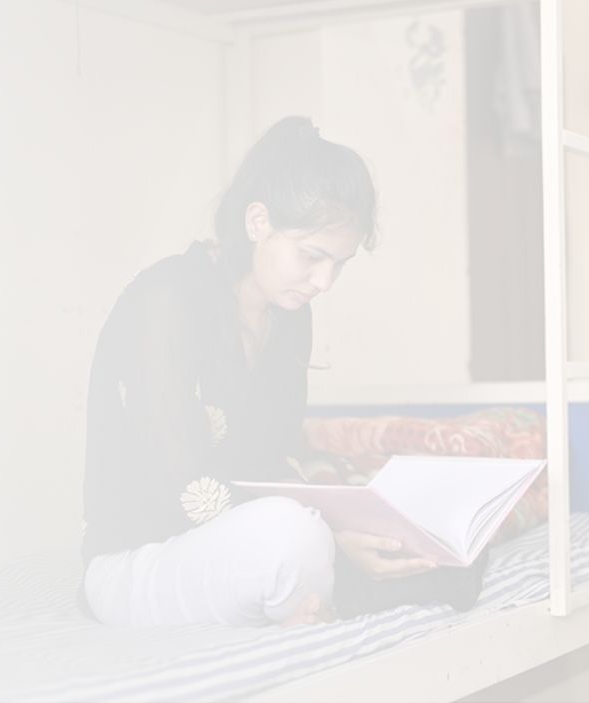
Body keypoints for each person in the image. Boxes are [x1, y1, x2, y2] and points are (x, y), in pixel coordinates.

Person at [81, 116, 487, 627]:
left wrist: (350, 527)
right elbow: (185, 488)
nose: (324, 281)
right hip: (140, 558)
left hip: (247, 546)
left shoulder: (290, 317)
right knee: (290, 534)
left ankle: (313, 602)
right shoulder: (166, 298)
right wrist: (330, 536)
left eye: (340, 264)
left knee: (423, 534)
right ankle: (327, 595)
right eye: (312, 256)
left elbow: (275, 459)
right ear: (258, 222)